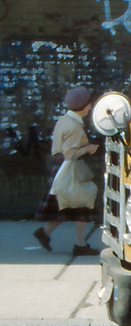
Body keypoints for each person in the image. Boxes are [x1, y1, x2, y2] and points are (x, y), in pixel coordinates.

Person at [34, 85, 100, 257]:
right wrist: (89, 149)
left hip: (61, 166)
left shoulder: (64, 120)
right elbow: (70, 153)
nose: (91, 107)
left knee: (67, 206)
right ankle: (80, 244)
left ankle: (46, 232)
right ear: (83, 106)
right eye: (88, 104)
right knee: (83, 203)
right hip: (71, 167)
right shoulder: (75, 127)